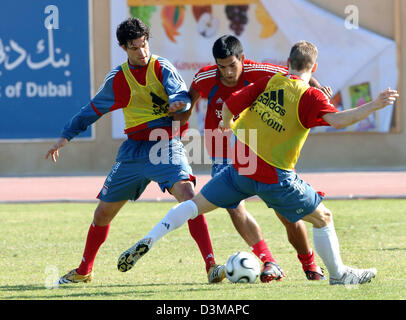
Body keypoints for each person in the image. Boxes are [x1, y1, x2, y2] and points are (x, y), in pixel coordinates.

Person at [118, 40, 398, 285]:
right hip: (275, 177)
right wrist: (375, 104)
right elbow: (338, 121)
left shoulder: (269, 81)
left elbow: (229, 105)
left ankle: (151, 238)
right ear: (314, 67)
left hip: (239, 168)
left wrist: (229, 125)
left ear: (288, 63)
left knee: (192, 206)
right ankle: (337, 275)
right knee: (323, 219)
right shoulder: (309, 96)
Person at [45, 17, 226, 285]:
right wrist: (65, 136)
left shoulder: (162, 67)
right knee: (102, 214)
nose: (142, 52)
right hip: (133, 151)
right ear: (123, 48)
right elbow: (92, 109)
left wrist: (179, 104)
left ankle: (211, 265)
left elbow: (181, 95)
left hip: (165, 144)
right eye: (134, 48)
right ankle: (84, 270)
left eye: (144, 45)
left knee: (189, 199)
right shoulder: (118, 78)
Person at [181, 35, 326, 282]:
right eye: (221, 66)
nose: (227, 72)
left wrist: (318, 88)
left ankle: (309, 265)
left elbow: (299, 74)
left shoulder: (261, 71)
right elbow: (189, 101)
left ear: (242, 59)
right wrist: (178, 126)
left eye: (232, 65)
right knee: (233, 207)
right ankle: (269, 261)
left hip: (260, 149)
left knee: (285, 212)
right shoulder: (205, 77)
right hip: (222, 149)